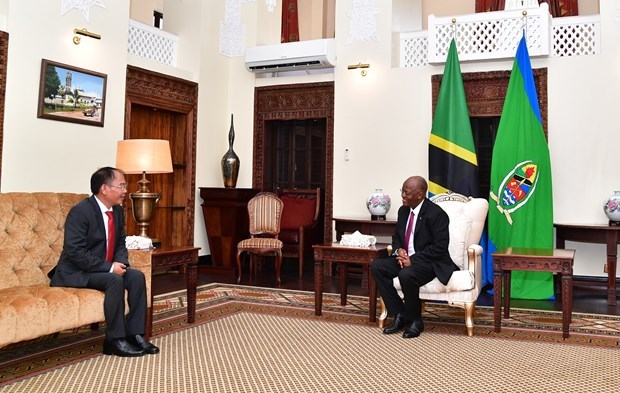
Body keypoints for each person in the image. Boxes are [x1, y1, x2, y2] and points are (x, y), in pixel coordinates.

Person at [49, 167, 159, 357]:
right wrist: (109, 268)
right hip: (75, 272)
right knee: (114, 280)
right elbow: (75, 252)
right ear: (104, 189)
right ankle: (114, 341)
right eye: (121, 186)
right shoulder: (81, 212)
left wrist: (120, 262)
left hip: (100, 268)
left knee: (136, 277)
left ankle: (135, 335)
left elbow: (120, 243)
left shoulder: (116, 211)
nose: (125, 190)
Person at [370, 176, 458, 338]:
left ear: (420, 194)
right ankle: (400, 314)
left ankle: (416, 320)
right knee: (377, 266)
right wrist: (399, 251)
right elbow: (397, 236)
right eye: (402, 192)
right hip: (406, 259)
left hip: (429, 262)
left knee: (406, 274)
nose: (403, 196)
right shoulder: (403, 211)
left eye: (407, 193)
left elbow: (439, 247)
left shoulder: (436, 214)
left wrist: (413, 259)